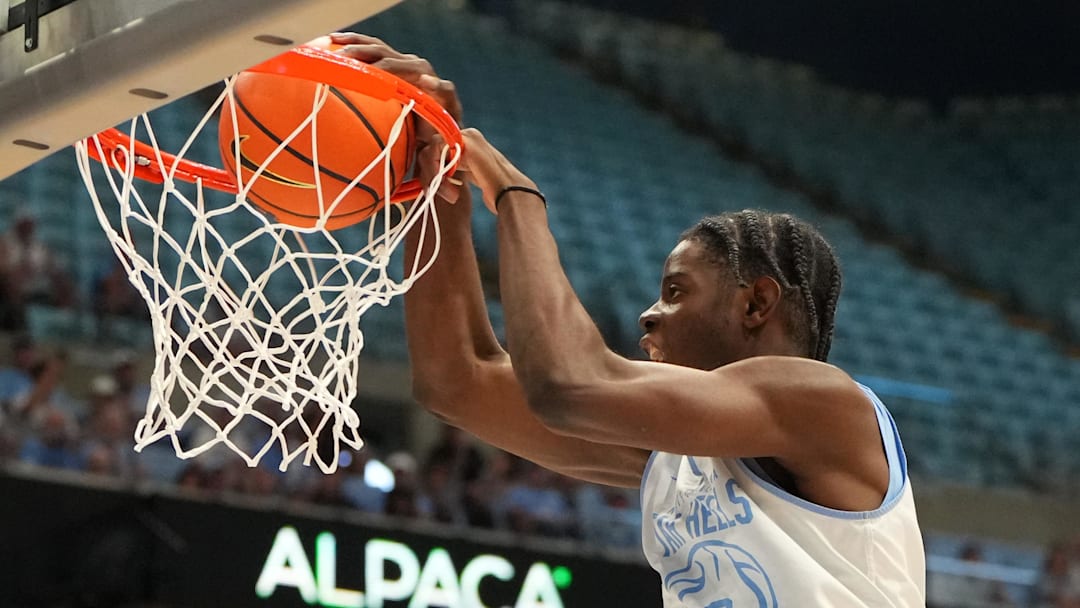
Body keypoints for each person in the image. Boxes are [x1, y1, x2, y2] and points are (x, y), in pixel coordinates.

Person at [331, 33, 925, 605]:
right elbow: (457, 382)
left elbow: (569, 385)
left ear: (755, 305)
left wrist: (516, 197)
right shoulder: (679, 459)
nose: (650, 314)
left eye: (675, 291)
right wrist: (433, 182)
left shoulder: (824, 405)